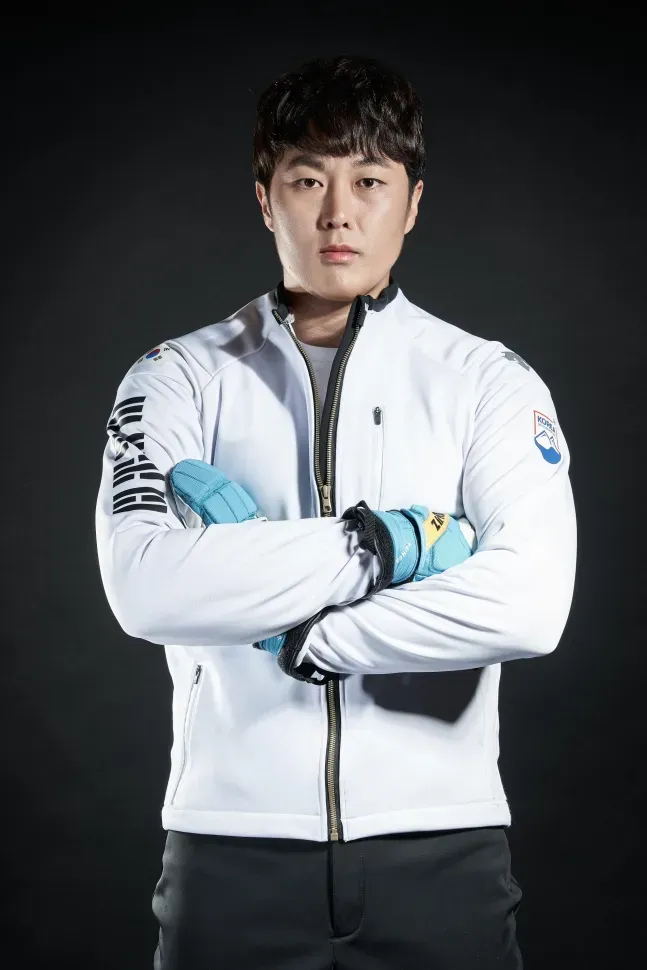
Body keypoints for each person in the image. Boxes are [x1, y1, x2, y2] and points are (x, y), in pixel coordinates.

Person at [95, 54, 577, 970]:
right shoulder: (177, 377)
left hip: (444, 852)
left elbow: (528, 604)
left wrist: (307, 634)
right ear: (265, 199)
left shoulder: (487, 380)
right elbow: (146, 587)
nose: (337, 213)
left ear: (413, 202)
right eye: (307, 179)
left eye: (369, 181)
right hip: (228, 854)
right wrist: (387, 545)